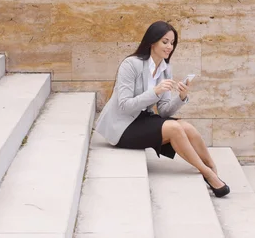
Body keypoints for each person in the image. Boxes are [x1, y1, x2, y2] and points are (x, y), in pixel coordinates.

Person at [94, 21, 230, 198]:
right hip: (123, 126)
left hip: (143, 119)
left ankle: (213, 168)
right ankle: (208, 174)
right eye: (165, 42)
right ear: (152, 41)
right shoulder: (131, 64)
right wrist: (154, 92)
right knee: (174, 129)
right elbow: (124, 105)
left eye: (172, 43)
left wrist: (181, 97)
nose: (169, 47)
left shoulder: (165, 69)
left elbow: (164, 111)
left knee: (186, 126)